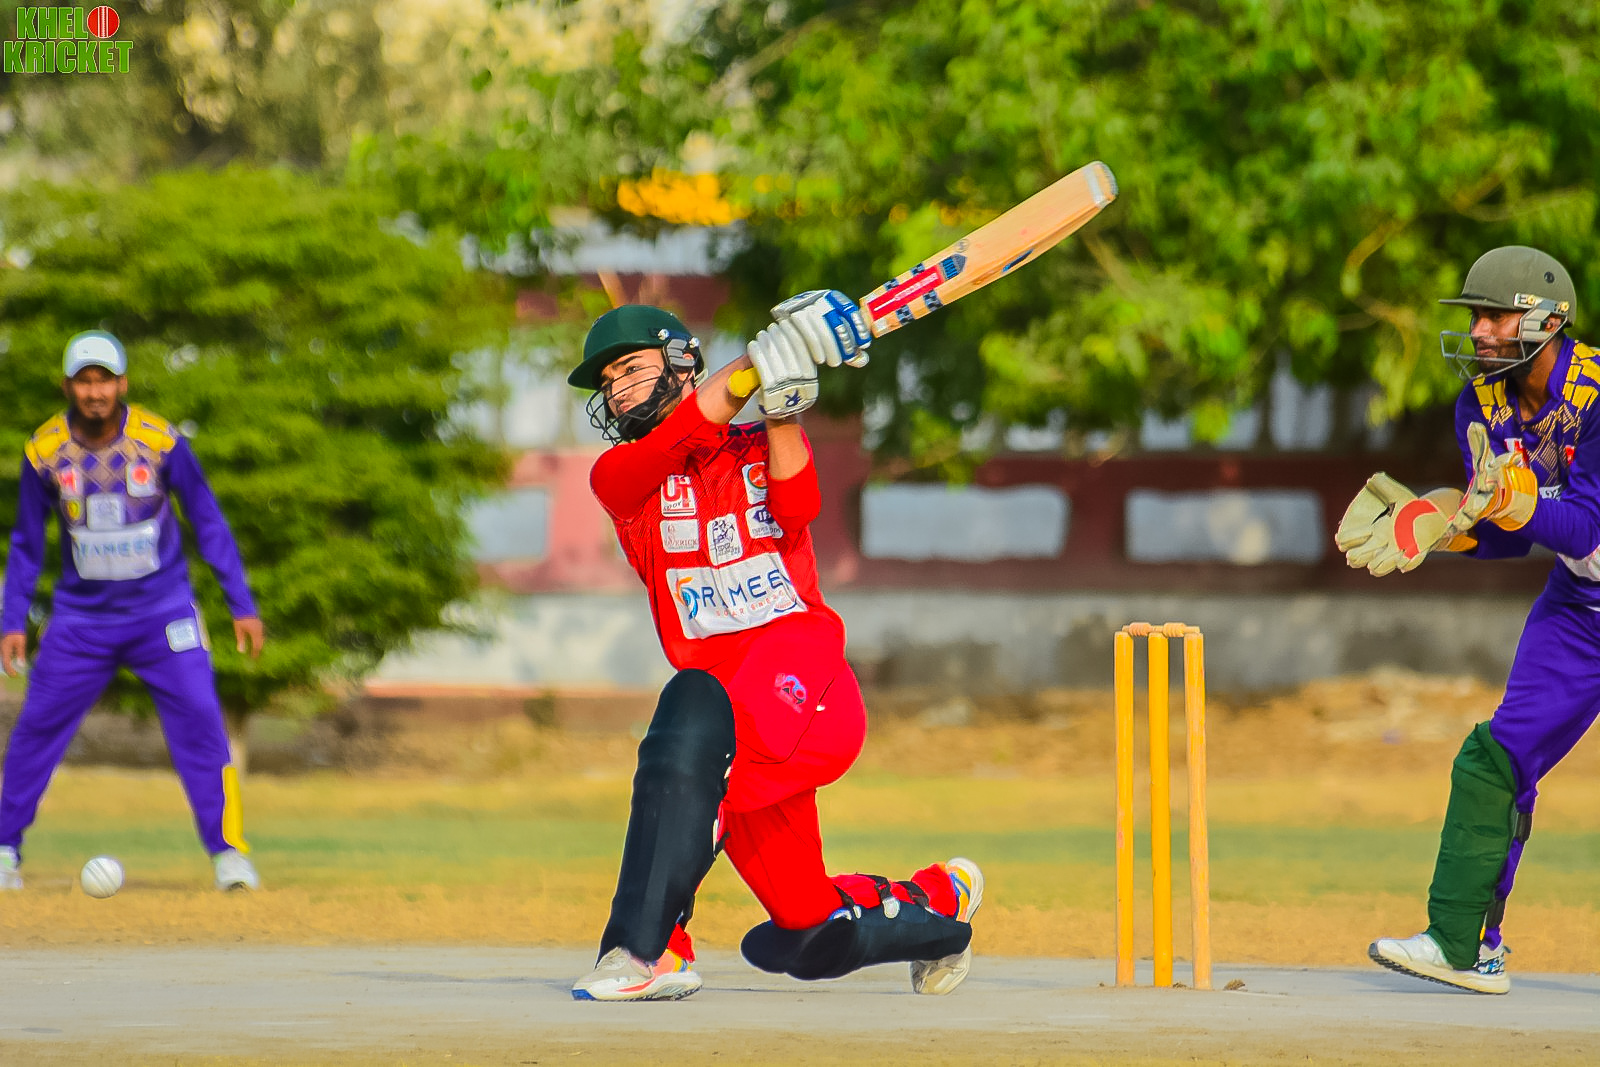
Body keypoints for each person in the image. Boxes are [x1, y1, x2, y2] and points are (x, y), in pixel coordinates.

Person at [565, 295, 983, 1001]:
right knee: (810, 931)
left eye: (631, 368)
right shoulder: (620, 477)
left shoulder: (758, 446)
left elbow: (799, 508)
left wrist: (783, 408)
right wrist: (750, 368)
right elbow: (681, 436)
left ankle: (649, 948)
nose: (618, 389)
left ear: (681, 363)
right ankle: (940, 907)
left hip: (802, 683)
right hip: (720, 721)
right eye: (608, 381)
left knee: (686, 748)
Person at [1336, 246, 1600, 994]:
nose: (1480, 331)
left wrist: (1508, 500)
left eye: (1495, 315)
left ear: (1548, 320)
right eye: (1475, 316)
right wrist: (1446, 528)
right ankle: (1463, 946)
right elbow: (1512, 535)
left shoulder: (1598, 395)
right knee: (1495, 760)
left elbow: (1584, 522)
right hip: (1583, 609)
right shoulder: (1479, 406)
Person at [0, 331, 265, 893]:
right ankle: (4, 850)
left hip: (163, 616)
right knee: (34, 731)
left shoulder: (160, 441)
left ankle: (229, 854)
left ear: (122, 383)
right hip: (80, 623)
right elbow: (26, 542)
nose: (94, 392)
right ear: (67, 386)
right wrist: (12, 619)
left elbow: (208, 519)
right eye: (84, 381)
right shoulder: (44, 451)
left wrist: (240, 603)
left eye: (104, 380)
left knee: (203, 726)